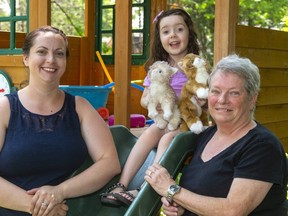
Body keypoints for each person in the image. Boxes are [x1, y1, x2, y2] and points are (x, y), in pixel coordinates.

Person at [145, 54, 288, 215]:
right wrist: (181, 205)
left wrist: (171, 189)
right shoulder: (204, 136)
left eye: (233, 93)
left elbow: (232, 210)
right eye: (215, 91)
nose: (222, 100)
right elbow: (199, 196)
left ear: (252, 99)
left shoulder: (262, 146)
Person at [0, 26, 121, 216]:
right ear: (26, 58)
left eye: (59, 53)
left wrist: (59, 192)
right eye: (41, 51)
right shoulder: (4, 108)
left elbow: (109, 163)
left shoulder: (80, 108)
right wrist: (37, 206)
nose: (51, 60)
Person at [100, 8, 201, 207]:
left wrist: (178, 103)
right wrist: (154, 104)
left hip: (188, 124)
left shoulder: (195, 65)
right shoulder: (157, 67)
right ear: (160, 38)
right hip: (164, 121)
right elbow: (145, 99)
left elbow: (200, 97)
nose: (172, 34)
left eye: (179, 29)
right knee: (150, 133)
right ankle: (122, 183)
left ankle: (146, 187)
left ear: (188, 33)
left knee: (166, 139)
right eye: (166, 31)